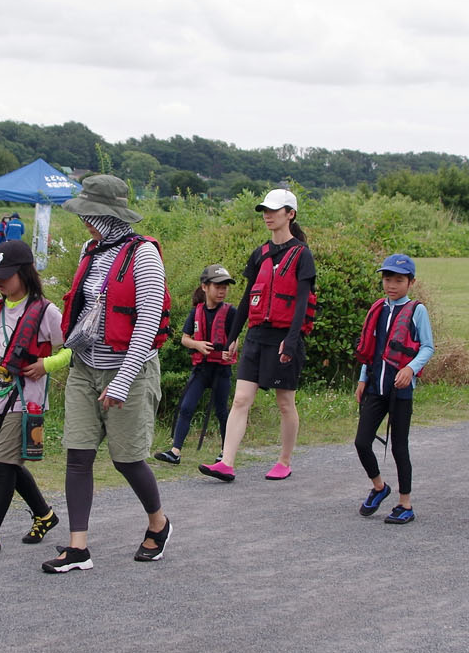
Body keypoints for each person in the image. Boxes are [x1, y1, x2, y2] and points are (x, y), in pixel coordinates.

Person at [46, 175, 172, 573]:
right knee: (78, 455)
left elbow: (149, 320)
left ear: (107, 215)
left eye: (90, 213)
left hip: (128, 371)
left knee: (127, 459)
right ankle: (77, 547)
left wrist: (122, 379)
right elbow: (86, 308)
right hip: (87, 367)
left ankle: (159, 522)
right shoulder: (90, 250)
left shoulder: (144, 255)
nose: (84, 220)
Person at [199, 189, 316, 483]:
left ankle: (285, 460)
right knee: (240, 400)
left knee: (285, 403)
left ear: (290, 214)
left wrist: (291, 340)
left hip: (283, 337)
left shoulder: (302, 255)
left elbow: (301, 301)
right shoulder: (260, 254)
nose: (267, 215)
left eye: (274, 210)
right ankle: (226, 463)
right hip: (256, 336)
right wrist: (232, 335)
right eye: (264, 210)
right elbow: (247, 300)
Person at [0, 239, 65, 555]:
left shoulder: (46, 312)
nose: (0, 280)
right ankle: (45, 515)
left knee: (5, 464)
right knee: (7, 463)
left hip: (26, 400)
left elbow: (73, 347)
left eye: (6, 273)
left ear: (25, 271)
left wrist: (47, 364)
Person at [352, 255, 436, 524]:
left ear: (410, 282)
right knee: (361, 441)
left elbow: (427, 347)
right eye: (387, 279)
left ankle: (405, 503)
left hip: (401, 390)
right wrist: (363, 379)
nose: (392, 285)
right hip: (376, 387)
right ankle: (379, 486)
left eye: (399, 280)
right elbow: (371, 350)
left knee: (400, 447)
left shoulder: (416, 311)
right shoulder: (379, 310)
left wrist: (410, 369)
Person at [156, 265, 239, 466]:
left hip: (221, 369)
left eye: (225, 286)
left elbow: (236, 339)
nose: (222, 290)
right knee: (186, 407)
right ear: (204, 287)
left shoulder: (230, 312)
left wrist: (232, 348)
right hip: (201, 368)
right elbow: (185, 339)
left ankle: (224, 453)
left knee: (222, 411)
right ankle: (175, 451)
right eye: (218, 286)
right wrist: (197, 344)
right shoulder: (196, 312)